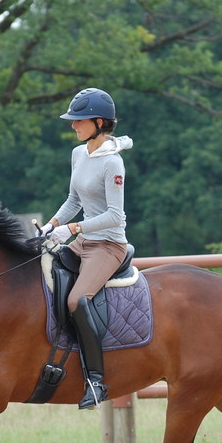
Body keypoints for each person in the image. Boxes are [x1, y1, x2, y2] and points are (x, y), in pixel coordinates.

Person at [43, 87, 133, 410]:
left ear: (97, 122)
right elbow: (74, 201)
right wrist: (52, 226)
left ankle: (96, 381)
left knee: (77, 300)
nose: (72, 126)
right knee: (44, 276)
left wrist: (74, 228)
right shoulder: (79, 154)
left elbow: (114, 215)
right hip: (81, 242)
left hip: (109, 245)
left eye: (78, 121)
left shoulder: (114, 165)